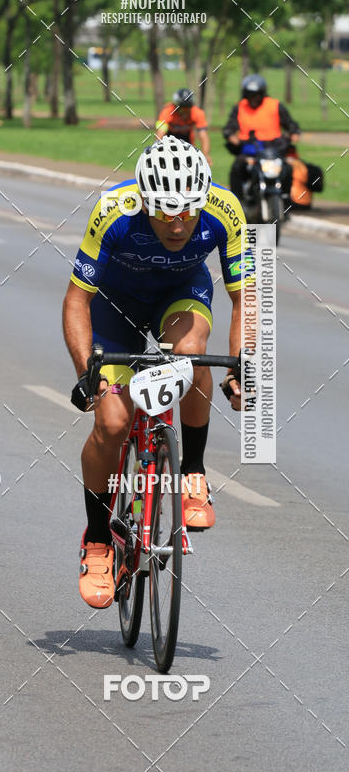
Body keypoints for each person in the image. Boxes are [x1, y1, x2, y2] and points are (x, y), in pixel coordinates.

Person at [63, 136, 252, 609]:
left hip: (180, 295)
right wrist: (87, 372)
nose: (178, 223)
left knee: (191, 353)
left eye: (187, 211)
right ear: (145, 201)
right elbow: (77, 299)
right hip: (114, 306)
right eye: (165, 212)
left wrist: (244, 368)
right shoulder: (114, 211)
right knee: (112, 423)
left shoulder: (225, 209)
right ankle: (98, 541)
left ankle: (193, 474)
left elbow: (246, 298)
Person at [223, 74, 300, 202]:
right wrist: (230, 135)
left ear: (263, 93)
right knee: (237, 168)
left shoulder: (274, 105)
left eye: (257, 95)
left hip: (273, 149)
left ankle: (285, 197)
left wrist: (294, 133)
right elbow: (230, 127)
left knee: (287, 168)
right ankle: (237, 202)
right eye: (250, 95)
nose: (254, 98)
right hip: (250, 150)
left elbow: (290, 123)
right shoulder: (240, 107)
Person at [156, 88, 211, 165]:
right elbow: (160, 134)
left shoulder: (198, 113)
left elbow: (204, 136)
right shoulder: (167, 111)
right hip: (169, 139)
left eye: (187, 108)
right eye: (182, 108)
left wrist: (205, 155)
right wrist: (158, 152)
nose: (185, 111)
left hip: (187, 141)